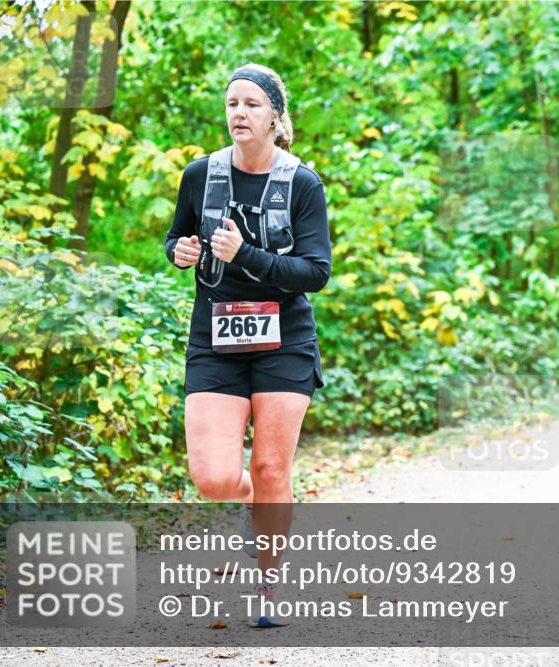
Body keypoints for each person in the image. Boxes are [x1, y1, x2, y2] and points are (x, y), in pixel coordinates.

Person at [164, 64, 331, 628]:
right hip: (215, 336)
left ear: (275, 116)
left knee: (270, 466)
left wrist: (247, 258)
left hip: (284, 337)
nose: (239, 113)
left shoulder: (301, 182)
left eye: (253, 104)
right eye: (232, 103)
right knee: (213, 477)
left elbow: (315, 272)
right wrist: (181, 252)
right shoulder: (201, 175)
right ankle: (255, 503)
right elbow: (176, 235)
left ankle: (269, 589)